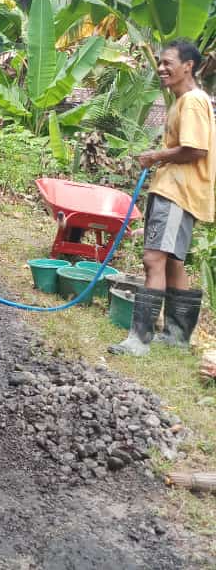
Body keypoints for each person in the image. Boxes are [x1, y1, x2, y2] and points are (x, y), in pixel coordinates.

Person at [109, 39, 214, 357]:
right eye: (160, 61)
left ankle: (139, 340)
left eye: (168, 62)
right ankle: (177, 336)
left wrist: (155, 155)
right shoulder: (186, 100)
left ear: (188, 66)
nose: (161, 67)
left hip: (177, 191)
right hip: (178, 190)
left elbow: (196, 149)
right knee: (172, 263)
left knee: (153, 260)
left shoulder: (192, 101)